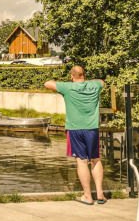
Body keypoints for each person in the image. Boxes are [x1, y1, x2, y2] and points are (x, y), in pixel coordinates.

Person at [45, 66, 106, 205]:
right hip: (92, 128)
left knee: (81, 161)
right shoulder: (94, 85)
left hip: (75, 129)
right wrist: (87, 82)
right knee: (96, 159)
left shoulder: (67, 87)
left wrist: (65, 82)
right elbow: (102, 82)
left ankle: (87, 196)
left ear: (72, 77)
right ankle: (100, 194)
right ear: (84, 75)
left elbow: (47, 83)